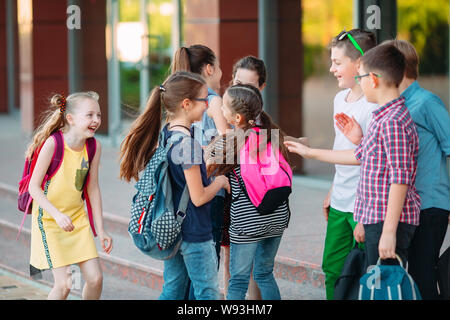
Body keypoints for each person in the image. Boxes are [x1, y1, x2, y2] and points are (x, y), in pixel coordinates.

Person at [285, 44, 421, 270]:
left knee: (384, 287)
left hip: (386, 221)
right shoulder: (382, 115)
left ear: (374, 79)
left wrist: (388, 232)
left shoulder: (393, 121)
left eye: (362, 76)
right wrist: (309, 153)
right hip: (375, 218)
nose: (359, 80)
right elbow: (361, 155)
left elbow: (400, 179)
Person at [335, 39, 450, 300]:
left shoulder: (425, 103)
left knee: (422, 276)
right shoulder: (387, 110)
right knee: (397, 279)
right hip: (400, 208)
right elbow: (377, 163)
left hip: (429, 205)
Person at [119, 71, 230, 300]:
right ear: (187, 104)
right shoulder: (187, 144)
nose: (208, 105)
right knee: (207, 293)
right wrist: (219, 181)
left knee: (173, 291)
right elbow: (198, 197)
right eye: (204, 100)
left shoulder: (168, 133)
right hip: (195, 232)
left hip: (174, 230)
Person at [207, 84, 291, 300]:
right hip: (277, 218)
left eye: (223, 108)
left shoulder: (228, 142)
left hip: (246, 223)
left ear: (235, 118)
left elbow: (205, 165)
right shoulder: (271, 136)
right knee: (264, 274)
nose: (221, 111)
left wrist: (218, 127)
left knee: (238, 281)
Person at [27, 91, 113, 300]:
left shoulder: (94, 146)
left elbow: (92, 187)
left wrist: (100, 230)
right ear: (71, 119)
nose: (96, 120)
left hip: (77, 220)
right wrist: (57, 215)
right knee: (65, 284)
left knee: (95, 280)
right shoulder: (53, 144)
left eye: (99, 115)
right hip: (50, 221)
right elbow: (33, 187)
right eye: (90, 115)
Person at [314, 29, 378, 300]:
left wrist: (309, 152)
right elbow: (342, 151)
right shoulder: (339, 99)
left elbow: (372, 160)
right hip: (340, 202)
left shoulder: (374, 106)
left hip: (365, 206)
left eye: (338, 63)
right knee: (332, 268)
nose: (332, 68)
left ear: (360, 63)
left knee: (365, 273)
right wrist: (333, 187)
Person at [171, 47, 228, 295]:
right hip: (207, 190)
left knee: (179, 276)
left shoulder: (179, 102)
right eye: (219, 66)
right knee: (205, 269)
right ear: (209, 69)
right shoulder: (213, 100)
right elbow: (228, 144)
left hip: (180, 194)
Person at [220, 55, 268, 300]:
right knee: (230, 257)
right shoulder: (223, 111)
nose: (240, 90)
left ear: (261, 88)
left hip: (256, 203)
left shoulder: (264, 125)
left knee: (255, 262)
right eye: (236, 82)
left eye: (248, 86)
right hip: (231, 196)